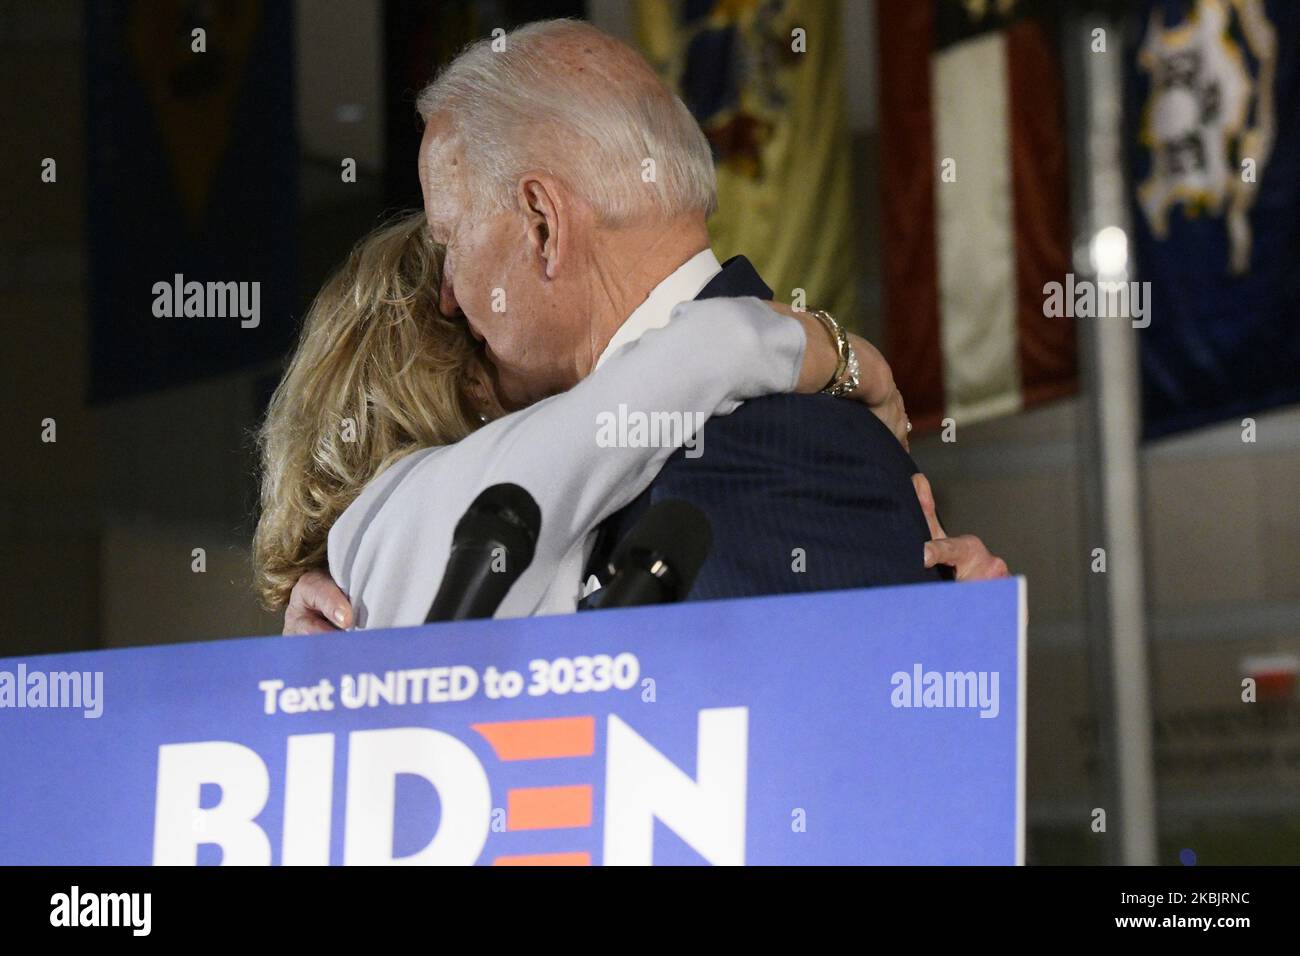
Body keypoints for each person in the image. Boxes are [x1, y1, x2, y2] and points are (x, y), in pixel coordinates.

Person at [280, 19, 1007, 633]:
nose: (448, 295)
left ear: (542, 225)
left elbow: (843, 774)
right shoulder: (723, 427)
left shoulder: (765, 451)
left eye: (451, 239)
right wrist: (840, 354)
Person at [254, 213, 915, 625]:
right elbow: (714, 347)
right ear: (461, 368)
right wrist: (855, 362)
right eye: (486, 326)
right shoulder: (434, 499)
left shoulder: (359, 556)